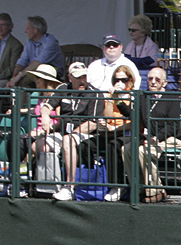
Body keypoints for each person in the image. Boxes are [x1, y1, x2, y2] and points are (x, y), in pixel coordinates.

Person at [125, 66, 181, 203]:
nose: (153, 82)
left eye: (157, 79)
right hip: (149, 138)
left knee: (142, 151)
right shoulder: (143, 97)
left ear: (164, 83)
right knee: (126, 149)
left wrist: (157, 138)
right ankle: (138, 187)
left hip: (170, 138)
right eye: (150, 78)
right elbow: (133, 115)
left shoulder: (172, 97)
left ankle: (154, 189)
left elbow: (173, 125)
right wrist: (119, 101)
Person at [54, 62, 105, 201]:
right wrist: (46, 116)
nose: (82, 80)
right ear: (70, 78)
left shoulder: (95, 93)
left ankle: (69, 186)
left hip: (85, 135)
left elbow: (93, 124)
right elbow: (47, 105)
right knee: (39, 144)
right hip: (62, 132)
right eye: (78, 77)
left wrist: (72, 133)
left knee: (68, 140)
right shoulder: (62, 88)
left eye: (84, 76)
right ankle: (45, 186)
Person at [25, 64, 67, 196]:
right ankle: (21, 181)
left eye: (39, 79)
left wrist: (43, 132)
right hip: (38, 132)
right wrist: (18, 110)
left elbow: (60, 121)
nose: (36, 81)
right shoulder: (40, 96)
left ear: (47, 81)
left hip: (53, 133)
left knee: (26, 144)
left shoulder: (56, 98)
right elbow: (35, 110)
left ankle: (31, 183)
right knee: (17, 142)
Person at [100, 65, 137, 202]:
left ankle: (117, 185)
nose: (120, 83)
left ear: (130, 81)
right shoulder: (110, 95)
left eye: (124, 80)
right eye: (116, 80)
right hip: (111, 131)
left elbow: (134, 121)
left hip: (127, 132)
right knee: (86, 145)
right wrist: (112, 99)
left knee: (113, 145)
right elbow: (108, 117)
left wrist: (116, 129)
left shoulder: (134, 95)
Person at [7, 16, 63, 88]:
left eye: (28, 28)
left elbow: (37, 63)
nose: (25, 31)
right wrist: (13, 78)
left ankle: (31, 99)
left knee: (23, 81)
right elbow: (22, 61)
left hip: (53, 72)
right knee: (17, 81)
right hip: (35, 72)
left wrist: (19, 77)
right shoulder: (29, 42)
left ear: (35, 30)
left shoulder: (50, 41)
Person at [0, 13, 24, 87]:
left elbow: (12, 68)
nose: (0, 27)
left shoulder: (16, 45)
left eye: (3, 25)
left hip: (3, 79)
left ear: (10, 26)